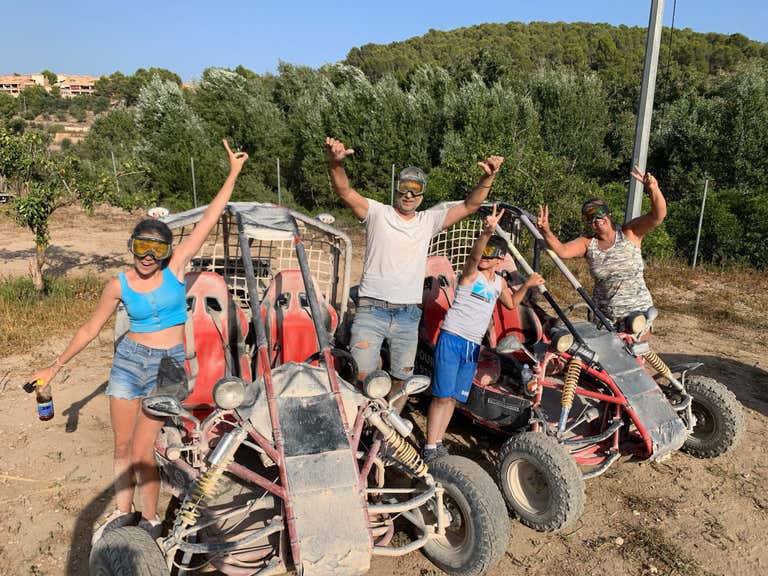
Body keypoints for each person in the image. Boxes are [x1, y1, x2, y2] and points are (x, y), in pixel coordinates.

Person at [29, 139, 248, 540]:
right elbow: (90, 329)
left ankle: (149, 520)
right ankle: (122, 513)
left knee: (144, 450)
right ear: (131, 247)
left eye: (156, 249)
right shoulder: (118, 285)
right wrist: (54, 367)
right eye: (141, 247)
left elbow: (209, 219)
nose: (148, 256)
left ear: (167, 252)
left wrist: (232, 173)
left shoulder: (175, 270)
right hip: (129, 362)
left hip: (169, 366)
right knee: (122, 445)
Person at [326, 137, 504, 408]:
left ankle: (387, 428)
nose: (409, 195)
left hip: (408, 315)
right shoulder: (377, 213)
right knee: (361, 377)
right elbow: (344, 191)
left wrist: (487, 178)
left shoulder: (427, 221)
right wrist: (335, 163)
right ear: (396, 189)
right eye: (404, 188)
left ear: (422, 195)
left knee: (402, 381)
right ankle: (359, 424)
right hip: (371, 309)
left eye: (416, 190)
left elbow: (470, 206)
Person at [423, 205, 544, 461]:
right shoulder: (470, 275)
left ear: (500, 259)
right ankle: (430, 447)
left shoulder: (498, 283)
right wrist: (486, 233)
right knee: (442, 396)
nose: (484, 257)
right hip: (452, 338)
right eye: (484, 253)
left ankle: (438, 442)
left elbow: (511, 303)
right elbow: (473, 257)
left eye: (490, 254)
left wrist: (527, 284)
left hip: (472, 345)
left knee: (453, 398)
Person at [536, 166, 667, 326]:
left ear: (608, 214)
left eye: (600, 213)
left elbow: (658, 216)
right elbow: (562, 251)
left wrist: (653, 189)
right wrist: (546, 231)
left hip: (637, 316)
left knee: (637, 342)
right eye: (590, 217)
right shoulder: (587, 244)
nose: (597, 219)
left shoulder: (630, 233)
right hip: (604, 319)